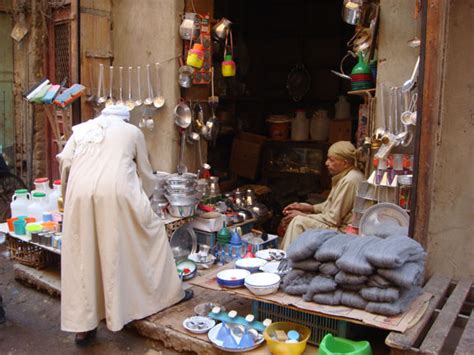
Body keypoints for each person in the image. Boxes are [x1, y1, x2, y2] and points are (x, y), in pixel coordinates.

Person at [57, 105, 190, 347]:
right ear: (125, 119)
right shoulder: (132, 132)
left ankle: (83, 328)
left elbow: (65, 161)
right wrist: (146, 198)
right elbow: (147, 174)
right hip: (117, 194)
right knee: (149, 235)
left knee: (83, 257)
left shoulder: (82, 130)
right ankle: (145, 302)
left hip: (79, 195)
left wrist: (69, 197)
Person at [280, 141, 364, 250]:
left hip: (343, 231)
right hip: (337, 225)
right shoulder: (346, 175)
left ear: (345, 163)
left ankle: (287, 259)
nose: (326, 163)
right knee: (300, 213)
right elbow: (330, 206)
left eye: (331, 160)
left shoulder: (350, 180)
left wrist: (302, 215)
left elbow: (333, 219)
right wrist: (308, 207)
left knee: (298, 222)